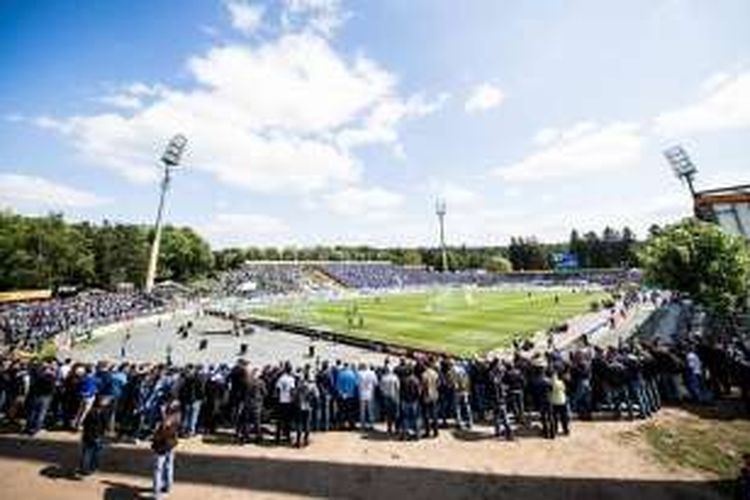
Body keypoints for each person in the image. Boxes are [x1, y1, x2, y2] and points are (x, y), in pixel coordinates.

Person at [152, 399, 181, 499]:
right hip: (171, 443)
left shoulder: (166, 418)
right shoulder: (177, 415)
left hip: (162, 444)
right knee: (168, 465)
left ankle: (157, 492)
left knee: (158, 468)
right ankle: (167, 486)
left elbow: (161, 429)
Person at [80, 396, 107, 476]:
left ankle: (85, 468)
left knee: (87, 453)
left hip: (88, 435)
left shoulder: (90, 412)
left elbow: (85, 423)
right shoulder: (103, 413)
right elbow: (104, 426)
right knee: (94, 454)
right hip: (96, 436)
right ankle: (91, 468)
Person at [275, 364, 296, 444]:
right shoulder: (291, 379)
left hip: (281, 401)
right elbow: (292, 390)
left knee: (280, 420)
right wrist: (293, 400)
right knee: (288, 421)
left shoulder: (280, 378)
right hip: (288, 401)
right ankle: (287, 436)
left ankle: (278, 437)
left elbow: (277, 389)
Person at [420, 361, 440, 438]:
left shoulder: (424, 375)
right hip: (434, 395)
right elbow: (438, 384)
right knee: (434, 414)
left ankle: (428, 432)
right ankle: (436, 432)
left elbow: (422, 387)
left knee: (426, 415)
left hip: (427, 396)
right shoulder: (435, 373)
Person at [379, 365, 400, 434]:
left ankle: (389, 428)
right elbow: (398, 387)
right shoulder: (395, 378)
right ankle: (397, 429)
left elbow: (381, 388)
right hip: (394, 397)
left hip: (386, 397)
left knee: (388, 414)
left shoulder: (383, 378)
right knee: (396, 413)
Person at [357, 363, 378, 431]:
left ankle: (362, 425)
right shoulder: (372, 373)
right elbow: (376, 383)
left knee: (362, 411)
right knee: (370, 410)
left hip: (362, 393)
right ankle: (371, 424)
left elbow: (357, 383)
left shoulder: (359, 373)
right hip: (370, 393)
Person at [550, 370, 570, 438]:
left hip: (554, 401)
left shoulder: (551, 383)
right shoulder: (561, 382)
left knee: (554, 417)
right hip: (562, 401)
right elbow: (564, 389)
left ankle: (555, 430)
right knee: (563, 417)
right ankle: (566, 430)